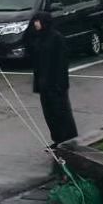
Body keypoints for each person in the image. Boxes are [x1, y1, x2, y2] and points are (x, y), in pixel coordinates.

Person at [28, 10, 78, 147]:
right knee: (49, 113)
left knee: (61, 111)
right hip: (43, 82)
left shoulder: (56, 38)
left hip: (56, 83)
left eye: (37, 21)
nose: (35, 24)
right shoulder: (38, 38)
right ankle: (57, 138)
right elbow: (30, 48)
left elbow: (62, 62)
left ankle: (68, 138)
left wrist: (60, 83)